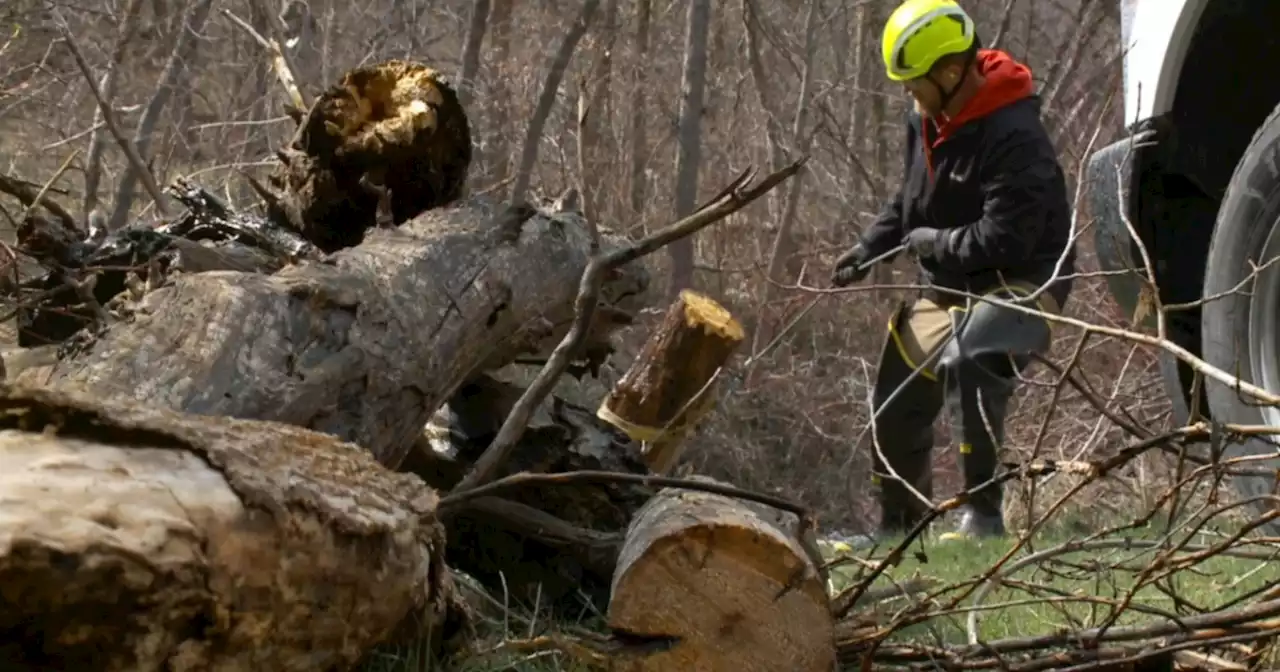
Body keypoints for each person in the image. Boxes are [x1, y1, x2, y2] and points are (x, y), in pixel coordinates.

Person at [830, 0, 1076, 541]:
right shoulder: (925, 120)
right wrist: (869, 247)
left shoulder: (1015, 134)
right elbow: (910, 202)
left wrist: (932, 243)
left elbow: (1008, 238)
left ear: (949, 72)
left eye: (913, 80)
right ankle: (899, 526)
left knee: (974, 353)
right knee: (896, 384)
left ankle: (982, 519)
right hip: (952, 283)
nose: (907, 92)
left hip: (1025, 282)